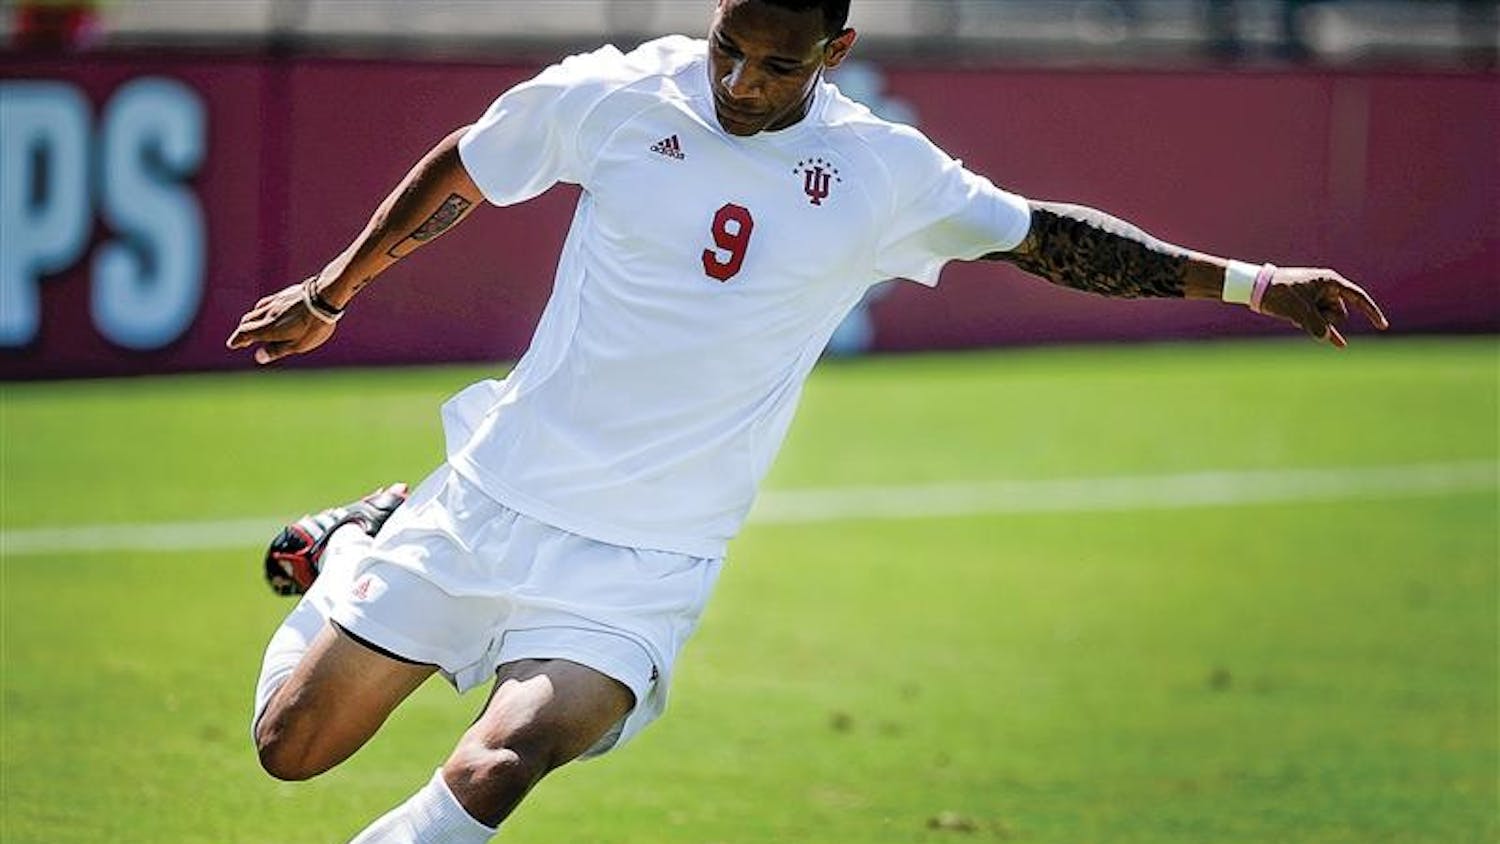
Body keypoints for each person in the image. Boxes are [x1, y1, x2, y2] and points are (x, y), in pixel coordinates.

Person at [226, 1, 1389, 840]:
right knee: (291, 748)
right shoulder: (622, 93)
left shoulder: (884, 172)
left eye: (776, 66)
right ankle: (362, 542)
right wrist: (331, 293)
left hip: (644, 561)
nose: (740, 82)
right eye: (731, 47)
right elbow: (467, 168)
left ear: (837, 53)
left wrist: (1247, 280)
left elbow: (1052, 238)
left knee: (499, 762)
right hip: (490, 498)